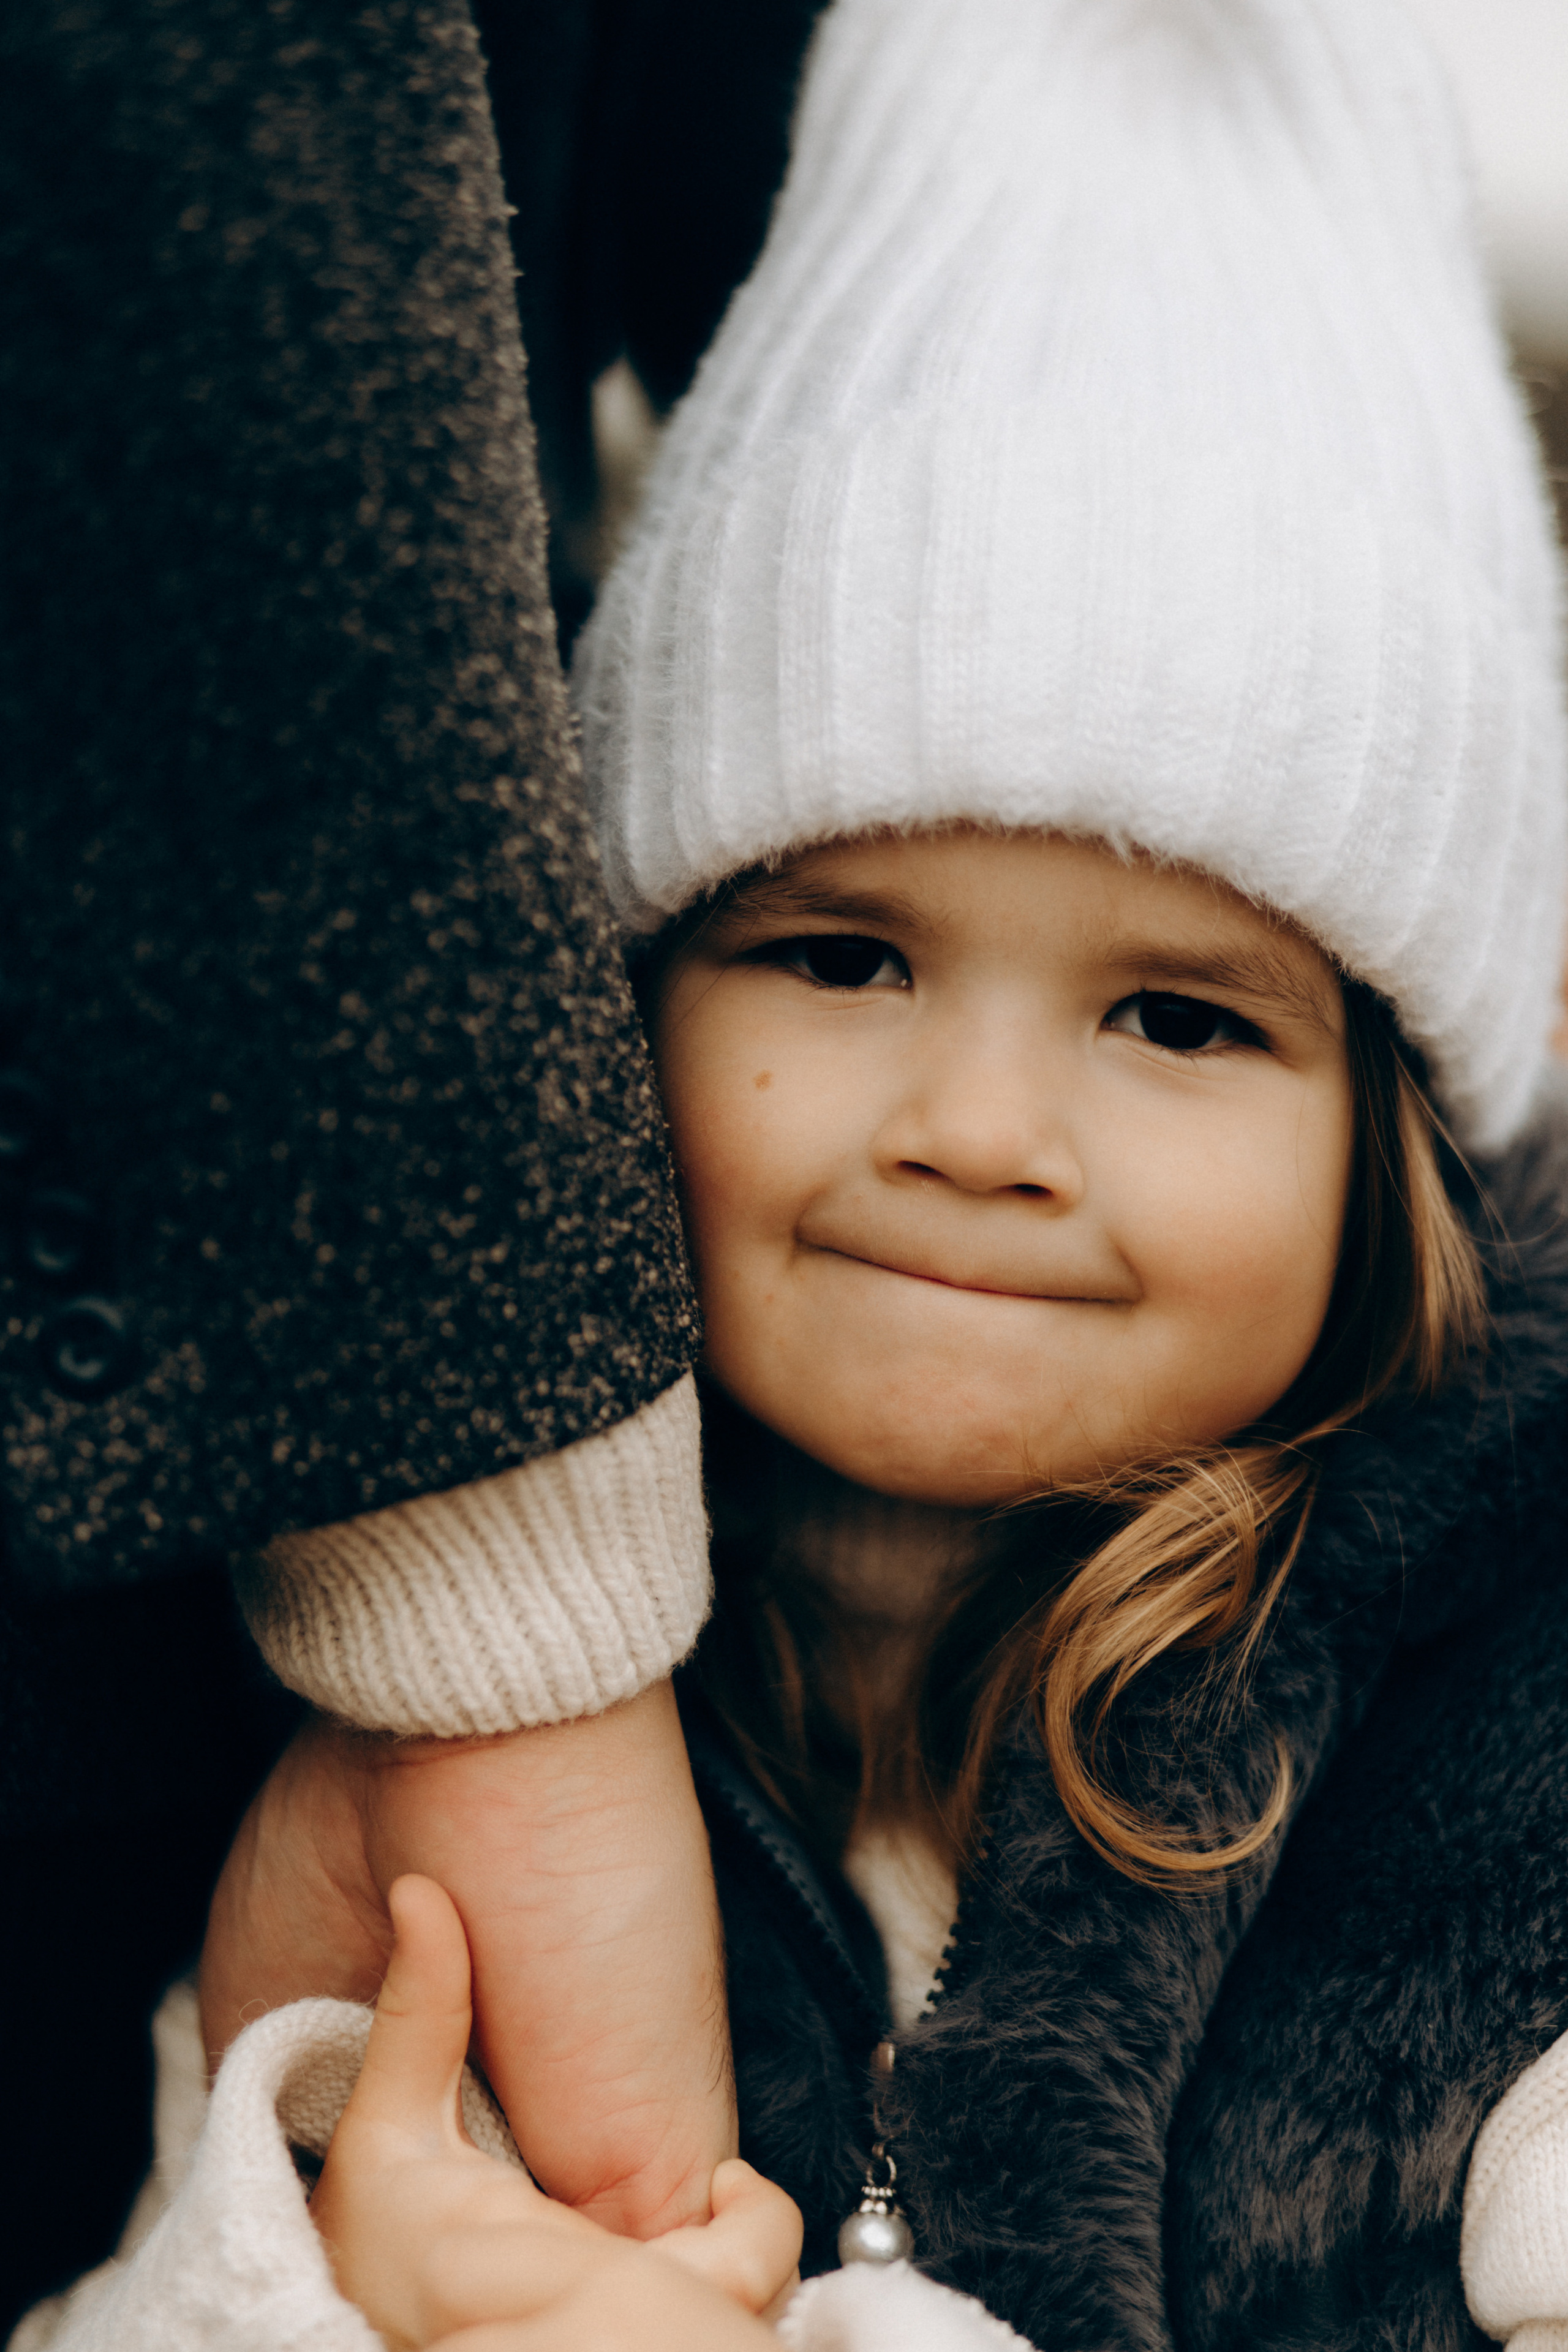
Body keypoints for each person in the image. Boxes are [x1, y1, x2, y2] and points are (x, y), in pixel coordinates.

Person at [15, 0, 1568, 2345]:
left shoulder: (1515, 1780)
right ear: (603, 1020)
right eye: (841, 959)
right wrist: (338, 2299)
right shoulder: (386, 1666)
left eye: (1180, 1017)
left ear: (1400, 1145)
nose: (976, 1129)